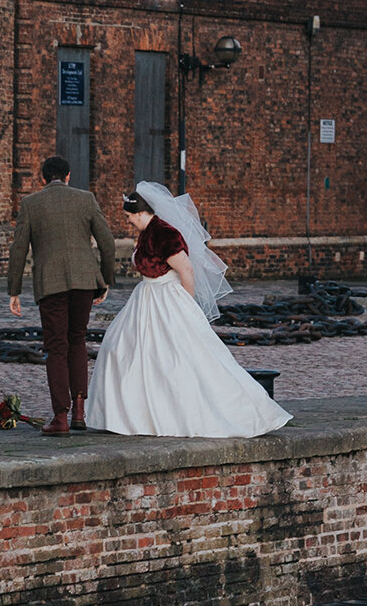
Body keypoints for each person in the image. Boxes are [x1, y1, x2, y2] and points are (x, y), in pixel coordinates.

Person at [86, 179, 291, 438]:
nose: (127, 221)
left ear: (140, 213)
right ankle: (131, 416)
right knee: (121, 349)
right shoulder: (147, 231)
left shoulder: (164, 234)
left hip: (167, 298)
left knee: (175, 358)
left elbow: (187, 270)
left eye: (129, 216)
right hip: (146, 298)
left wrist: (186, 305)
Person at [5, 156, 119, 437]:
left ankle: (61, 417)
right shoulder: (86, 199)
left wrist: (14, 290)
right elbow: (107, 243)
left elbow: (18, 249)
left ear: (43, 179)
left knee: (56, 347)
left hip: (51, 285)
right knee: (77, 340)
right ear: (68, 176)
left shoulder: (31, 204)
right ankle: (80, 411)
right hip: (84, 282)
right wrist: (105, 281)